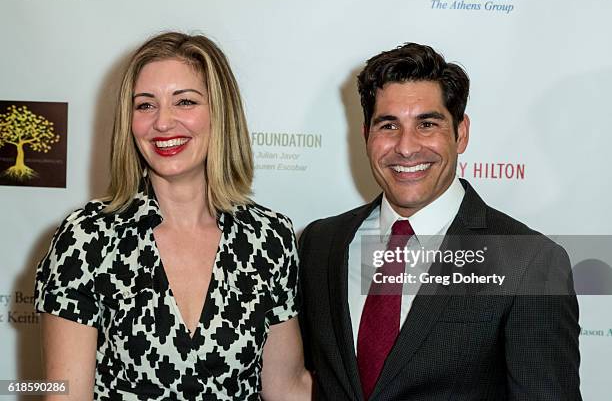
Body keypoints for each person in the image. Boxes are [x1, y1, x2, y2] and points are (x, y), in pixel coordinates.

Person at [35, 32, 312, 400]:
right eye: (145, 105)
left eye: (185, 101)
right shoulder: (87, 238)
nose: (163, 123)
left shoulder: (268, 238)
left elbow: (287, 388)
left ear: (220, 112)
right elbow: (65, 395)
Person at [298, 43, 581, 400]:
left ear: (460, 133)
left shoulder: (529, 262)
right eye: (388, 125)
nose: (406, 147)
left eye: (427, 124)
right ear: (366, 135)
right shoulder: (321, 243)